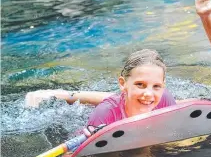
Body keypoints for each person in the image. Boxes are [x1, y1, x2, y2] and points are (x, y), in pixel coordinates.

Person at [25, 49, 177, 125]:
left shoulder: (164, 99)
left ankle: (67, 94)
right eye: (140, 84)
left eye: (156, 86)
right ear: (122, 83)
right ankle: (64, 94)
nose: (149, 93)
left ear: (163, 86)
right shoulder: (105, 113)